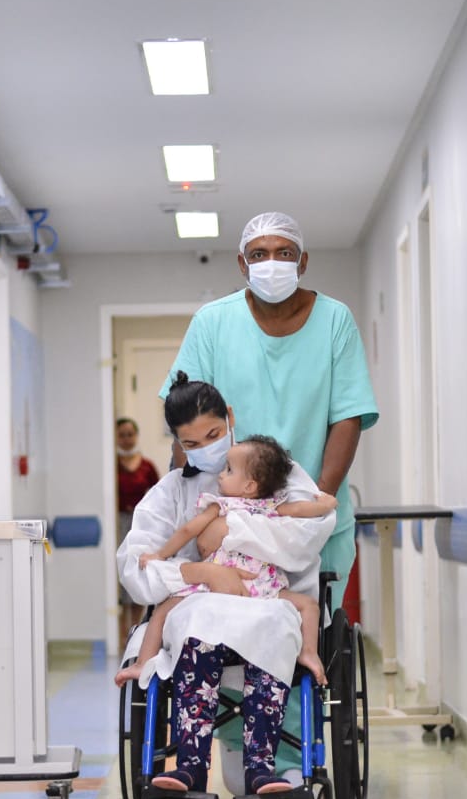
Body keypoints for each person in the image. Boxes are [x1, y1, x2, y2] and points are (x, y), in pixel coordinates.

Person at [117, 374, 335, 797]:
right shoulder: (174, 494)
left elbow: (308, 533)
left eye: (214, 434)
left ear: (230, 418)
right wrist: (199, 571)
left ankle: (262, 767)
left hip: (267, 602)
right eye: (192, 443)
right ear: (178, 443)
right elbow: (138, 565)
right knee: (195, 624)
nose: (208, 450)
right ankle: (190, 767)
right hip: (207, 607)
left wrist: (230, 530)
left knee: (274, 624)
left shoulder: (275, 474)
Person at [161, 211, 378, 592]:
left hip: (311, 518)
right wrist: (188, 507)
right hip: (229, 522)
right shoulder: (212, 323)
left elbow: (348, 416)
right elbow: (186, 418)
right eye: (259, 254)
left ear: (303, 262)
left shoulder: (334, 321)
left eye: (284, 252)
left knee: (312, 629)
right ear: (242, 264)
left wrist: (315, 505)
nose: (271, 263)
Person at [114, 431, 337, 690]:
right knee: (309, 605)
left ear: (249, 486)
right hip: (260, 587)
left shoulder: (219, 506)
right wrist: (326, 503)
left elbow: (188, 531)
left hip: (218, 585)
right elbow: (301, 510)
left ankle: (143, 661)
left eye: (229, 470)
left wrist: (160, 555)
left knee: (162, 611)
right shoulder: (270, 506)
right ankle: (309, 651)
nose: (220, 474)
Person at [115, 416, 160, 647]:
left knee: (141, 573)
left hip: (142, 525)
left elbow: (159, 498)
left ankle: (140, 629)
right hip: (119, 524)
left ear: (136, 436)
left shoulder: (147, 466)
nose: (126, 439)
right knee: (122, 579)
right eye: (121, 435)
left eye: (129, 434)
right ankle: (123, 634)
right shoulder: (111, 465)